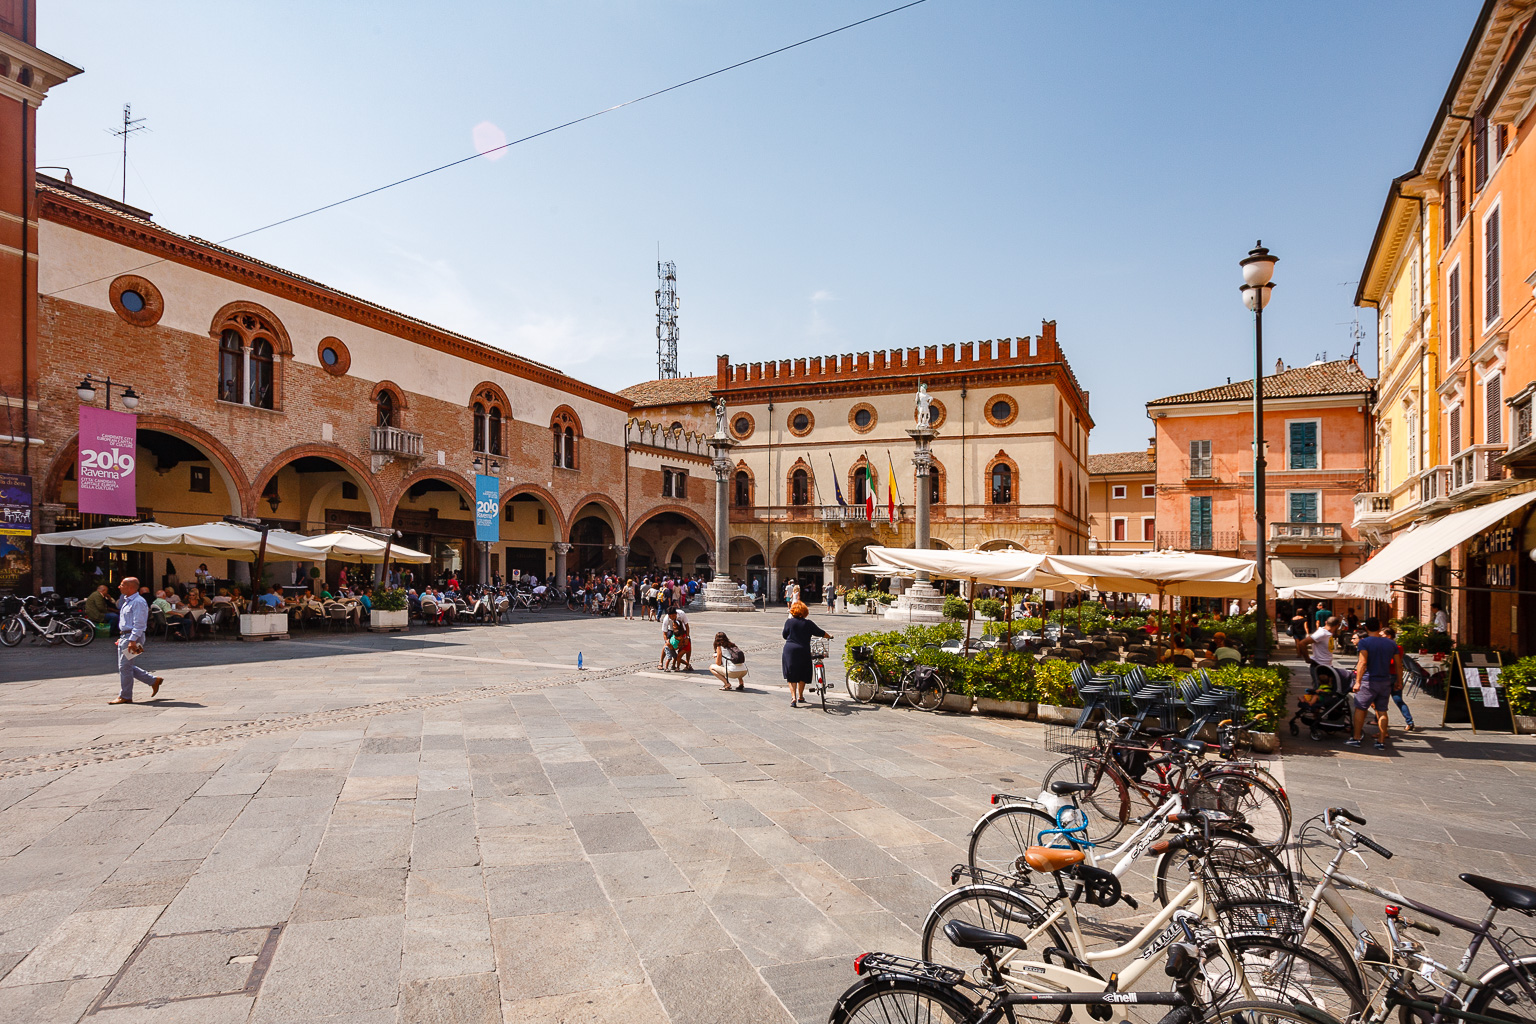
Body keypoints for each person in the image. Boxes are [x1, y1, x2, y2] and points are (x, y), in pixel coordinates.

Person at [109, 577, 162, 705]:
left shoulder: (138, 602)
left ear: (130, 587)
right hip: (127, 636)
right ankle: (153, 681)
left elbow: (139, 623)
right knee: (126, 666)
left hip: (133, 637)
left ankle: (125, 695)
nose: (119, 587)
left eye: (122, 584)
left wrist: (132, 640)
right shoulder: (128, 600)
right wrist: (123, 637)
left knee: (125, 667)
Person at [1349, 618, 1399, 750]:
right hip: (1385, 681)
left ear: (1366, 628)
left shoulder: (1364, 642)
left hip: (1368, 680)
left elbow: (1362, 662)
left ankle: (1356, 738)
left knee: (1360, 708)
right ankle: (1381, 741)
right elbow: (1399, 665)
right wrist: (1399, 681)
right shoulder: (1391, 643)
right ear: (1380, 626)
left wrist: (1357, 682)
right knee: (1382, 711)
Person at [781, 600, 832, 708]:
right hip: (803, 650)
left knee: (791, 674)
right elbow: (821, 632)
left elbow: (785, 636)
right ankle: (801, 696)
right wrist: (830, 636)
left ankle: (793, 698)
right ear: (805, 612)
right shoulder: (808, 623)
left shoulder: (789, 622)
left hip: (790, 650)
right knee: (802, 674)